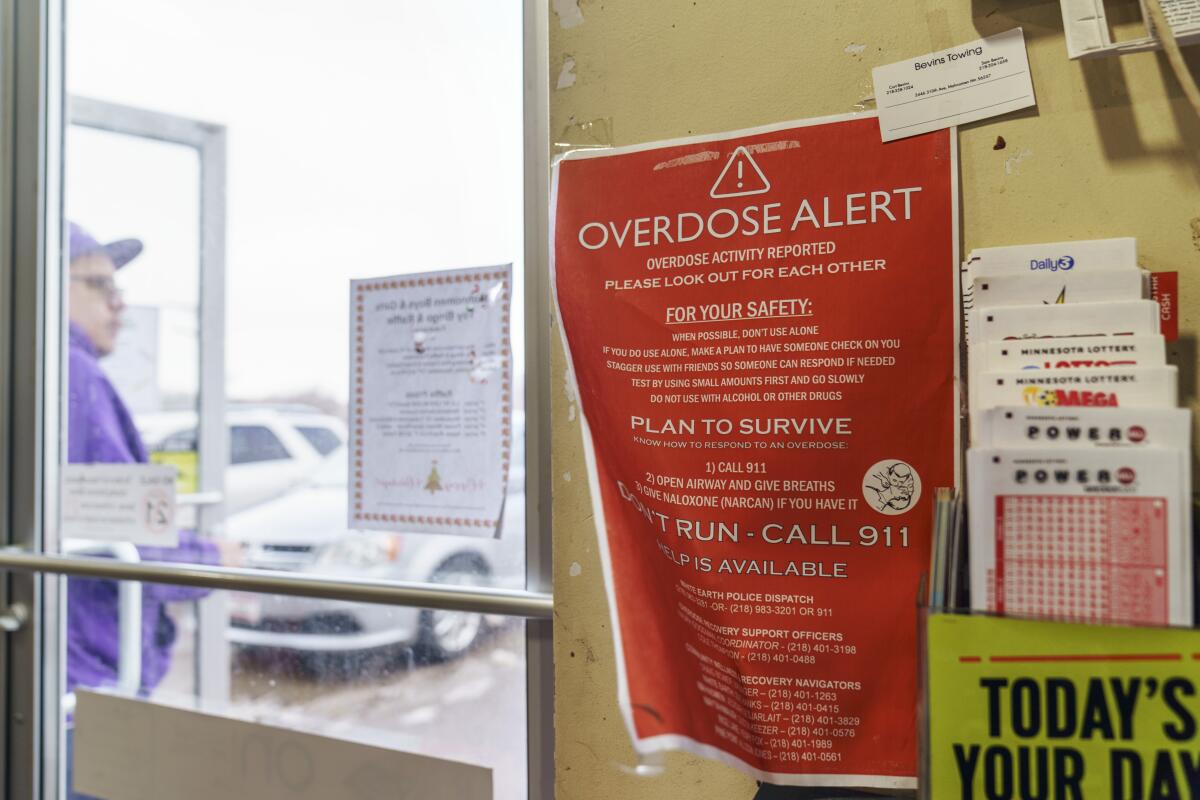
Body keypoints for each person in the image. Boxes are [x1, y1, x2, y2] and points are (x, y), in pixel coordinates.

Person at [65, 222, 234, 797]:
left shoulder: (48, 372)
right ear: (47, 284)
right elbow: (127, 533)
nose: (119, 304)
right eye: (100, 284)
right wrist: (215, 557)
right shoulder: (74, 377)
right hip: (82, 680)